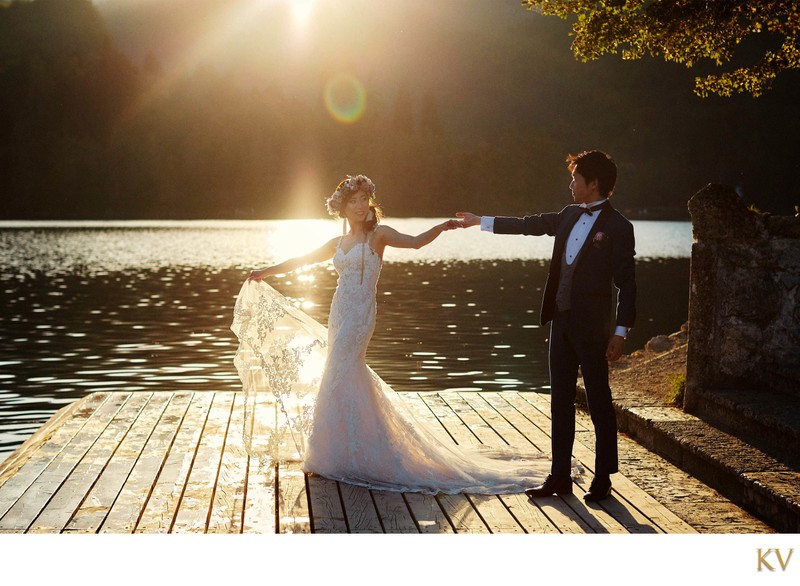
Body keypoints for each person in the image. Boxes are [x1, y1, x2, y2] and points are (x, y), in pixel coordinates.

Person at [232, 174, 551, 495]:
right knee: (337, 372)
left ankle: (343, 452)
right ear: (342, 209)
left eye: (362, 200)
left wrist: (440, 228)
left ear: (370, 203)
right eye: (352, 202)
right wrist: (264, 272)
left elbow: (414, 243)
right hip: (339, 311)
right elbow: (301, 260)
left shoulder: (378, 235)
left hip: (360, 314)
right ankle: (336, 450)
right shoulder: (337, 244)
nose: (359, 207)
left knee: (341, 368)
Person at [457, 150, 636, 502]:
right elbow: (529, 224)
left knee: (600, 401)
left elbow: (627, 285)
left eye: (575, 178)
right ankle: (559, 477)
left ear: (594, 183)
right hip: (561, 324)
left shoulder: (619, 227)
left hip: (595, 329)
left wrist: (620, 331)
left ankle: (603, 477)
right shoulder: (568, 215)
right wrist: (482, 221)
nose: (571, 184)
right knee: (559, 401)